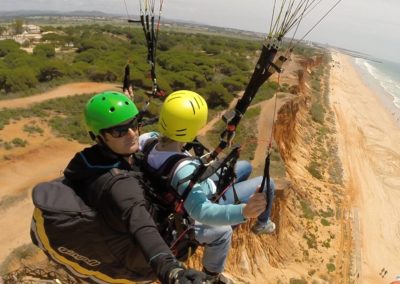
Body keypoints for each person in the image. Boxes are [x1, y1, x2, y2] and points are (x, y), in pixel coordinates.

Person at [63, 91, 206, 284]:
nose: (132, 134)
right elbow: (142, 227)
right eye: (119, 131)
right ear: (99, 137)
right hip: (136, 265)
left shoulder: (90, 159)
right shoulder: (121, 187)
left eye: (133, 123)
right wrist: (172, 272)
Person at [140, 90, 276, 283]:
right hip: (192, 206)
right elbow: (202, 212)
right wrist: (244, 211)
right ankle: (213, 276)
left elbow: (177, 161)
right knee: (267, 184)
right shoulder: (184, 170)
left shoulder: (147, 140)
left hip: (176, 188)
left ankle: (261, 222)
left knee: (244, 167)